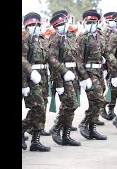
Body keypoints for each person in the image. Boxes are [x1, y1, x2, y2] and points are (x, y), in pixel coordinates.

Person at [22, 12, 76, 151]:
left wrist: (64, 71)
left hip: (43, 78)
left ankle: (35, 141)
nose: (35, 27)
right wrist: (25, 83)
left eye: (37, 24)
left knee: (42, 109)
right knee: (37, 108)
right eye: (31, 25)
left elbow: (51, 59)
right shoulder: (24, 40)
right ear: (26, 26)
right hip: (30, 78)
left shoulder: (43, 40)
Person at [76, 9, 117, 140]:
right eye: (88, 22)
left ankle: (92, 129)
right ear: (84, 23)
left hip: (98, 72)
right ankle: (84, 123)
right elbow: (78, 60)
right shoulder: (82, 38)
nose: (91, 24)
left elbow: (108, 55)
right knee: (99, 100)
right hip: (88, 73)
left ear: (98, 22)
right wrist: (84, 77)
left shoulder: (100, 38)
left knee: (95, 102)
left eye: (94, 22)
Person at [48, 10, 90, 146]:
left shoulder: (71, 37)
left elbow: (77, 59)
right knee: (71, 104)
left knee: (71, 105)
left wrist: (83, 76)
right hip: (62, 76)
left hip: (73, 75)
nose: (63, 25)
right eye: (59, 24)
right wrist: (58, 83)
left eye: (64, 22)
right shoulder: (54, 40)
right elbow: (53, 61)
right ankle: (57, 129)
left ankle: (66, 135)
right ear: (55, 27)